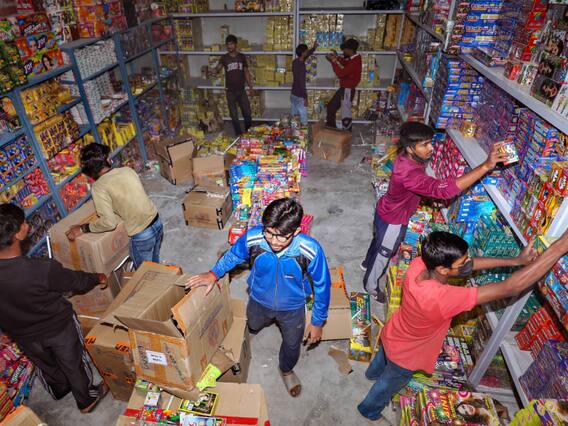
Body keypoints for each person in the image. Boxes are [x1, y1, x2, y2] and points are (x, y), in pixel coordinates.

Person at [357, 230, 568, 422]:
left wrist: (516, 260)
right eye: (462, 263)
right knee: (389, 383)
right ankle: (369, 409)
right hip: (407, 355)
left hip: (394, 332)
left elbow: (469, 265)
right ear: (443, 269)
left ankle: (371, 373)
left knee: (383, 359)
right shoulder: (443, 298)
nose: (467, 264)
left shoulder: (419, 264)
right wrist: (559, 247)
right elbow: (511, 287)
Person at [186, 198, 331, 397]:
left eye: (282, 236)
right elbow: (233, 255)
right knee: (252, 324)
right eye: (269, 232)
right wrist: (213, 273)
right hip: (258, 299)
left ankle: (286, 370)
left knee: (292, 344)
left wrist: (318, 322)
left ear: (296, 231)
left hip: (293, 307)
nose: (273, 241)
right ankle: (250, 334)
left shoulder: (311, 250)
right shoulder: (253, 238)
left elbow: (322, 287)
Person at [362, 122, 508, 302]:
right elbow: (443, 190)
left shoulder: (406, 157)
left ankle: (366, 263)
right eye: (424, 145)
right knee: (384, 253)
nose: (431, 148)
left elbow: (418, 186)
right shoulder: (409, 174)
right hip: (394, 220)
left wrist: (428, 197)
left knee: (377, 241)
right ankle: (371, 286)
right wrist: (486, 166)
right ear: (410, 148)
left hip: (385, 208)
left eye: (430, 143)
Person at [0, 203, 109, 413]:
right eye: (24, 222)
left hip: (23, 335)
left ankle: (60, 389)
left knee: (45, 365)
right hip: (58, 327)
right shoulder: (40, 270)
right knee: (73, 362)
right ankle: (86, 400)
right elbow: (76, 281)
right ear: (18, 233)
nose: (27, 225)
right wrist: (97, 277)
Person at [65, 143, 162, 269]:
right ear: (108, 159)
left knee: (145, 273)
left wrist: (83, 228)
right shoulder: (126, 170)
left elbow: (109, 223)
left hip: (142, 234)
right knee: (155, 266)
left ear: (89, 172)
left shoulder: (99, 187)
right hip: (157, 222)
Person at [213, 34, 254, 136]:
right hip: (230, 91)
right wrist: (212, 71)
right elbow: (217, 69)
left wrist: (250, 87)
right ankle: (238, 135)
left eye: (231, 44)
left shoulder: (242, 57)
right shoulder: (224, 58)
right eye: (228, 44)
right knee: (234, 115)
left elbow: (246, 72)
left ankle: (248, 133)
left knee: (247, 113)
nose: (229, 46)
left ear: (236, 44)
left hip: (241, 90)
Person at [325, 38, 362, 131]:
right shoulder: (354, 58)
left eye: (344, 50)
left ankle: (346, 132)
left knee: (345, 113)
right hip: (345, 88)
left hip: (347, 90)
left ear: (350, 50)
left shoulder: (355, 61)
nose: (343, 52)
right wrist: (337, 57)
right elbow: (346, 64)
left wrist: (333, 61)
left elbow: (341, 73)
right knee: (331, 107)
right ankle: (331, 129)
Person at [291, 41, 317, 125]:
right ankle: (303, 131)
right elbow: (302, 83)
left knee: (294, 117)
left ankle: (294, 131)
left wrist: (314, 48)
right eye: (306, 51)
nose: (307, 52)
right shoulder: (302, 66)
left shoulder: (295, 62)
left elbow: (306, 55)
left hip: (293, 93)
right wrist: (305, 98)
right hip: (300, 96)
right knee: (303, 119)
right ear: (303, 53)